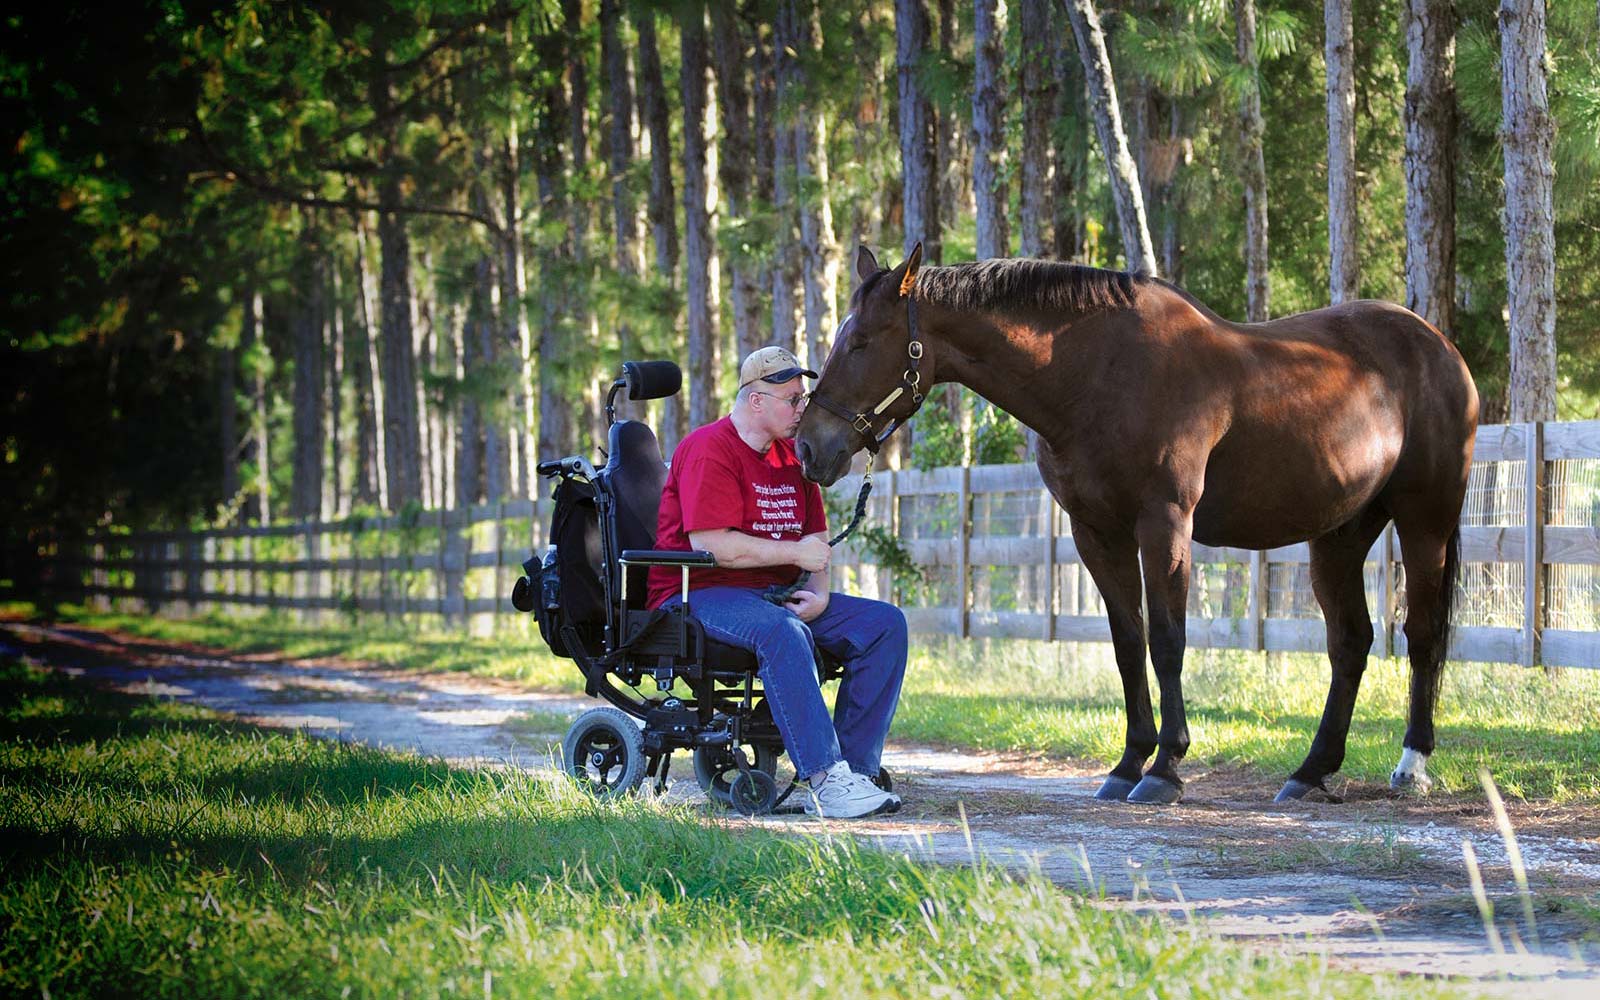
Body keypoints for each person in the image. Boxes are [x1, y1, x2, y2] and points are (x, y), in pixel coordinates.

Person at [646, 346, 908, 819]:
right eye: (792, 400)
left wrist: (820, 593)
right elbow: (714, 547)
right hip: (698, 593)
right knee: (782, 632)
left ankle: (856, 772)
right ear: (756, 400)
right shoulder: (708, 448)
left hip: (775, 595)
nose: (801, 408)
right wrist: (794, 555)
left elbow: (816, 539)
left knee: (884, 625)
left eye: (802, 398)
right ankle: (826, 781)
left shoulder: (794, 454)